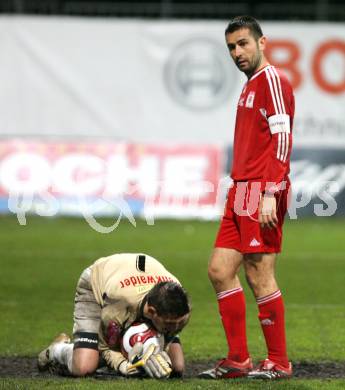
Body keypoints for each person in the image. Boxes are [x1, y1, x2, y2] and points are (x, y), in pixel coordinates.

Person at [199, 16, 294, 380]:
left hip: (260, 189)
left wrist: (271, 191)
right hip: (241, 190)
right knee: (220, 271)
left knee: (259, 273)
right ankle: (238, 359)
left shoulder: (272, 80)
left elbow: (282, 140)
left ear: (261, 42)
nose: (237, 52)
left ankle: (279, 362)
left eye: (243, 44)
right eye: (231, 48)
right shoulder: (250, 84)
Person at [38, 253, 191, 379]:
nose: (176, 328)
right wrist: (123, 365)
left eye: (180, 323)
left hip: (132, 286)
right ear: (151, 312)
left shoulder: (178, 297)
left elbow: (174, 324)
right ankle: (57, 349)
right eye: (170, 324)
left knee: (176, 367)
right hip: (95, 283)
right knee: (84, 367)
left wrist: (162, 345)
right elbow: (104, 346)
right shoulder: (118, 301)